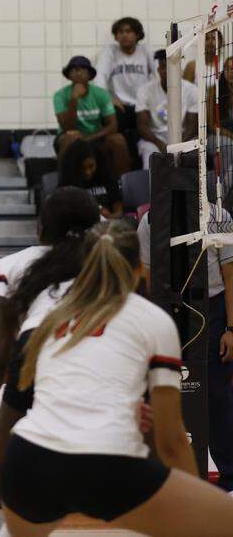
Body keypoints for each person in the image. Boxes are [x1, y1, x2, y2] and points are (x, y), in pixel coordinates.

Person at [0, 221, 233, 536]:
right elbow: (172, 440)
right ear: (139, 268)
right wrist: (191, 507)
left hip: (27, 461)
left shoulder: (49, 315)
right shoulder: (152, 319)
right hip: (107, 462)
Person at [0, 187, 101, 537]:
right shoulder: (112, 266)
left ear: (39, 227)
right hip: (101, 367)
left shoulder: (10, 266)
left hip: (36, 356)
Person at [138, 206, 233, 491]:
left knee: (215, 394)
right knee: (163, 391)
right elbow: (145, 275)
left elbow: (230, 275)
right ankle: (163, 474)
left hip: (211, 307)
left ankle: (229, 477)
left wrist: (231, 329)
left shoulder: (218, 215)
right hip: (168, 308)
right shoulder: (152, 219)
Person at [53, 56, 131, 176]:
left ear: (90, 75)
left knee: (118, 140)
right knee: (69, 139)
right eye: (74, 70)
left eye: (82, 70)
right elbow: (68, 128)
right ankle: (64, 183)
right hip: (70, 136)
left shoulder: (101, 94)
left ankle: (122, 184)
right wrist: (74, 99)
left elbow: (112, 126)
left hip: (95, 136)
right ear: (68, 75)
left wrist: (88, 139)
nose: (78, 73)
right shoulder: (60, 96)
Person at [135, 49, 200, 169]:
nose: (167, 71)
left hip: (184, 138)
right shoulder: (144, 90)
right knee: (150, 155)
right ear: (159, 70)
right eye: (163, 67)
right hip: (155, 139)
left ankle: (190, 187)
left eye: (172, 67)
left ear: (179, 69)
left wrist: (176, 146)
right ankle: (151, 187)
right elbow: (142, 126)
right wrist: (160, 144)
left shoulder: (192, 91)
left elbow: (193, 127)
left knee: (192, 155)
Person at [95, 17, 156, 141]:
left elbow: (159, 73)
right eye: (120, 32)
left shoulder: (146, 50)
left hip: (142, 104)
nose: (124, 35)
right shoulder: (110, 52)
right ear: (116, 36)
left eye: (128, 31)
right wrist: (109, 98)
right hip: (120, 105)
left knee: (145, 133)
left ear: (137, 34)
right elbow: (99, 78)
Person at [58, 139, 123, 218]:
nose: (87, 172)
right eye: (82, 168)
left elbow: (119, 209)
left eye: (91, 166)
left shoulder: (107, 177)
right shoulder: (67, 183)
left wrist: (110, 218)